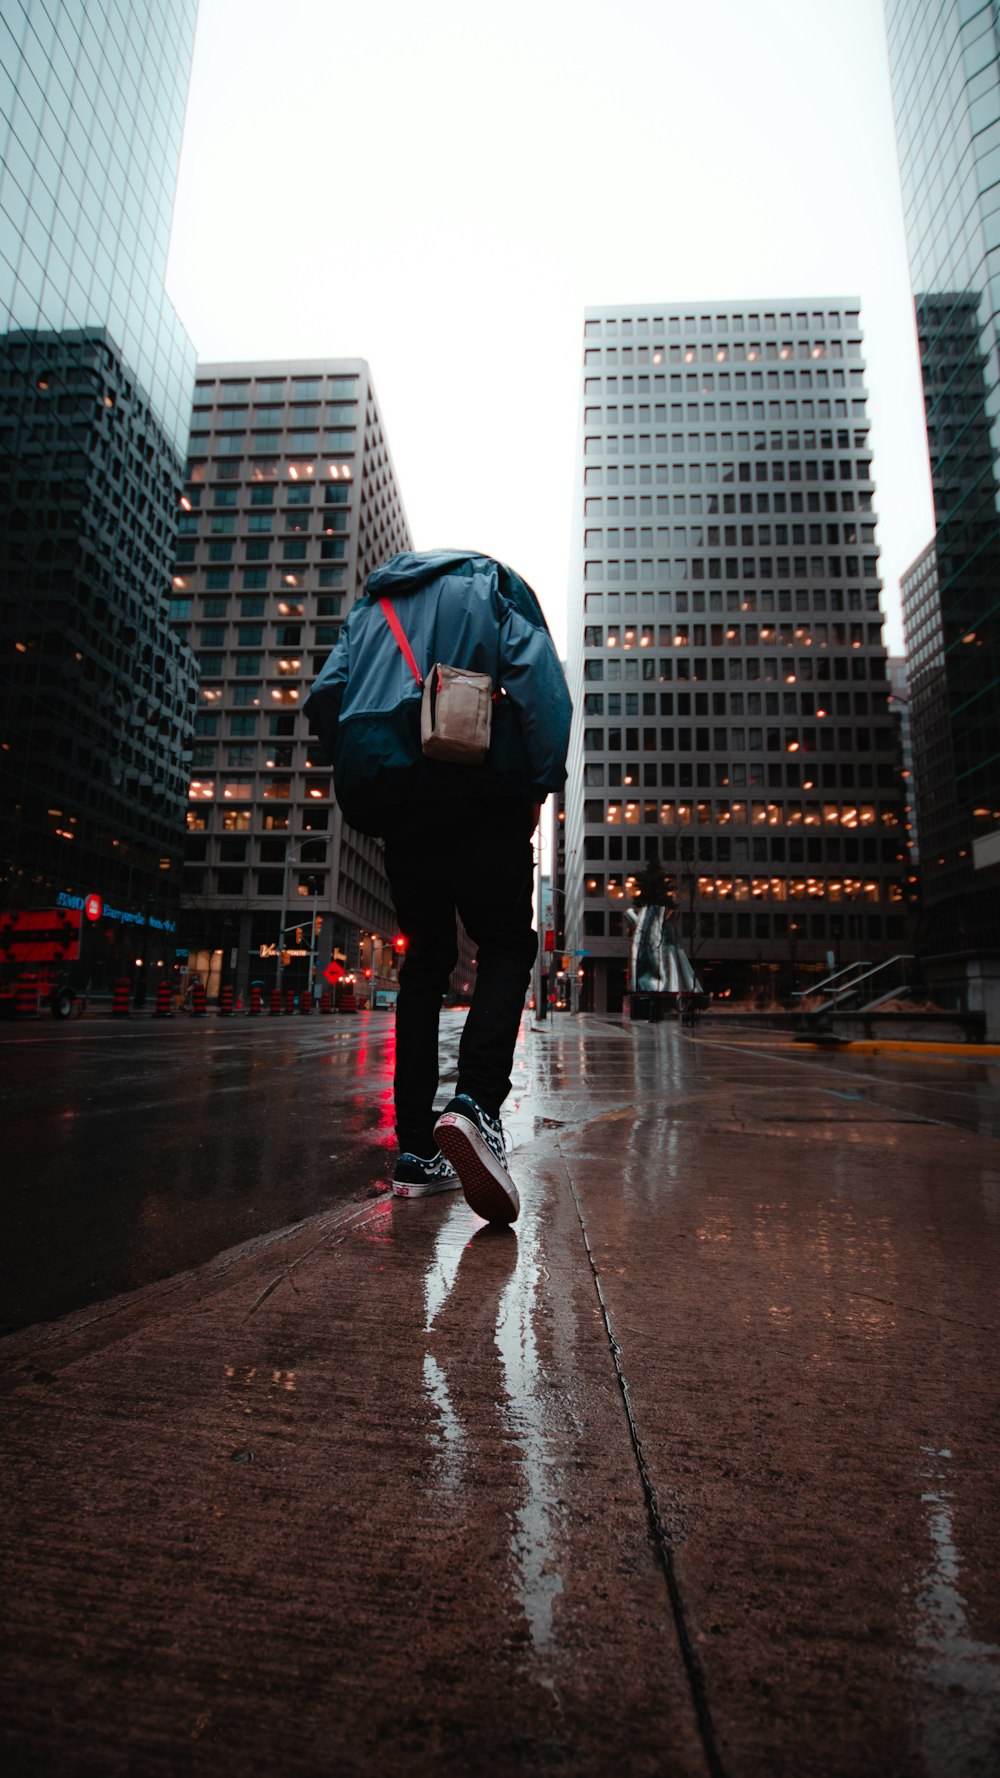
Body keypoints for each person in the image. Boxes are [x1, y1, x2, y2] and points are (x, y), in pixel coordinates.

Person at [304, 549, 571, 1224]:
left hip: (402, 809)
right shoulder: (489, 583)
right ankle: (477, 1102)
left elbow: (325, 701)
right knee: (506, 942)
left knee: (424, 962)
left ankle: (417, 1152)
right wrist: (540, 781)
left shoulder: (371, 608)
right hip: (481, 788)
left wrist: (384, 759)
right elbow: (539, 685)